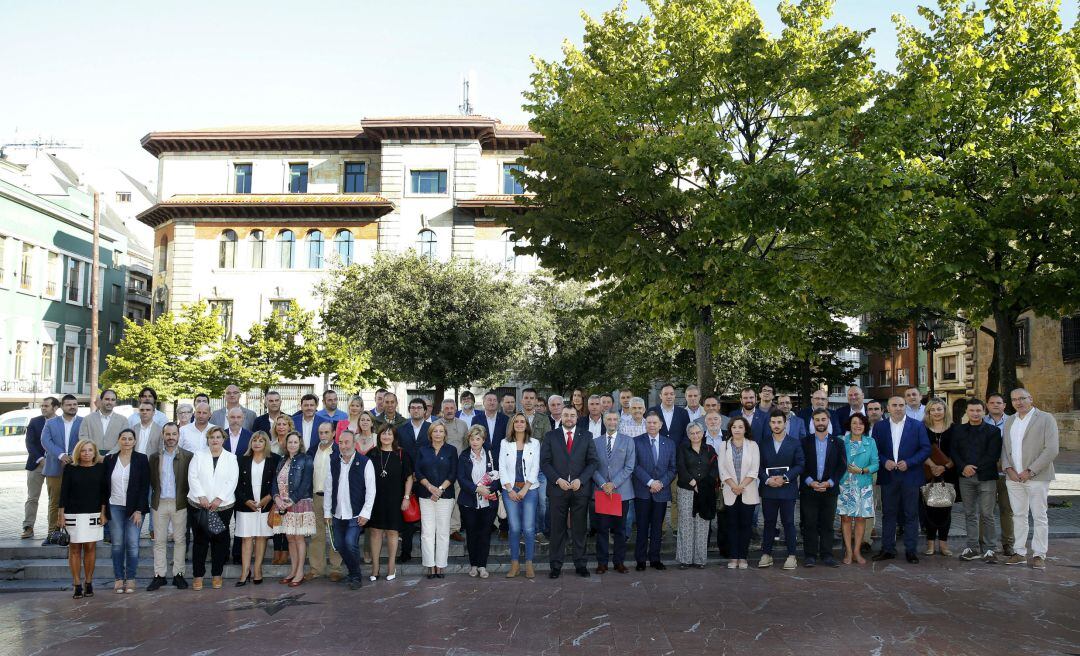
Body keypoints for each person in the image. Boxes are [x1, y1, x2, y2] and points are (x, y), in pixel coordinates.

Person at [1001, 388, 1059, 569]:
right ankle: (1019, 552)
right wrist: (1007, 468)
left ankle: (1039, 554)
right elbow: (1005, 447)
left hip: (1037, 477)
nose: (1018, 402)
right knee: (1018, 515)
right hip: (1013, 478)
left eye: (1022, 398)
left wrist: (1030, 471)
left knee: (1039, 516)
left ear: (1031, 399)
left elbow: (1051, 449)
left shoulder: (1045, 418)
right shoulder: (1010, 420)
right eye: (1014, 400)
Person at [541, 406, 599, 578]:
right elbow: (544, 462)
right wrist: (557, 480)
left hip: (579, 490)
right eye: (566, 415)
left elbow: (593, 462)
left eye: (572, 415)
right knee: (557, 530)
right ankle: (556, 566)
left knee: (579, 529)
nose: (569, 418)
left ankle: (581, 564)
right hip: (557, 490)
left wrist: (580, 480)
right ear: (561, 417)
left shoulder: (586, 436)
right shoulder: (551, 436)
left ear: (577, 417)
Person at [872, 396, 931, 564]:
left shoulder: (918, 426)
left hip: (910, 475)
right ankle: (888, 549)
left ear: (905, 406)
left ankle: (911, 551)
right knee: (888, 514)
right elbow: (874, 449)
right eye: (894, 405)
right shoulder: (879, 427)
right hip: (889, 476)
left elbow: (925, 449)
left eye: (901, 405)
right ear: (887, 408)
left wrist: (910, 462)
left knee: (911, 515)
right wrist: (884, 461)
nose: (898, 408)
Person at [951, 398, 1004, 564]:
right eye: (971, 410)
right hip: (965, 477)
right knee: (969, 514)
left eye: (978, 410)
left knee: (987, 514)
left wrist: (973, 468)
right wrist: (963, 467)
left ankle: (990, 549)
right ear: (966, 412)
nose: (975, 413)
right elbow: (954, 451)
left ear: (984, 411)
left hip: (986, 477)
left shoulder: (993, 431)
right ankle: (972, 548)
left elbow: (993, 455)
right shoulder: (957, 430)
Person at [187, 426, 239, 590]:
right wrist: (201, 496)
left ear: (223, 439)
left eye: (218, 437)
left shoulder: (231, 458)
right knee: (200, 541)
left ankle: (217, 575)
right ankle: (198, 576)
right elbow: (192, 476)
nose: (215, 440)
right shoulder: (198, 455)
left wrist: (219, 499)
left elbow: (232, 480)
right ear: (207, 440)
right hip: (199, 505)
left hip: (221, 507)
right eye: (211, 437)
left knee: (219, 541)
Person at [324, 430, 376, 589]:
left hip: (356, 513)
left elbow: (371, 490)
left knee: (349, 542)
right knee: (339, 544)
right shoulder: (333, 462)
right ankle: (353, 572)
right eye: (340, 442)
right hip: (338, 513)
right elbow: (328, 488)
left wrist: (366, 513)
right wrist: (327, 512)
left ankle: (356, 576)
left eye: (347, 442)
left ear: (355, 444)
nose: (343, 446)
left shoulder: (365, 462)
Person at [60, 439, 108, 599]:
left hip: (93, 514)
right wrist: (60, 515)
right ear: (78, 452)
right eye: (83, 450)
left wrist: (103, 513)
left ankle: (88, 582)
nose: (86, 453)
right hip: (73, 514)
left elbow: (104, 493)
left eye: (90, 450)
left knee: (90, 549)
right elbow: (63, 493)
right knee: (74, 549)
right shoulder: (70, 468)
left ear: (95, 452)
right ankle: (76, 584)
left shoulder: (101, 468)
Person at [104, 428, 150, 594]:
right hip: (114, 506)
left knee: (132, 544)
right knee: (117, 544)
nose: (127, 441)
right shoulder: (110, 459)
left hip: (134, 509)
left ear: (135, 441)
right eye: (124, 438)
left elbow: (145, 487)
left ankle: (130, 578)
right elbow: (104, 486)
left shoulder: (141, 459)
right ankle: (118, 578)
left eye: (130, 439)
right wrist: (103, 510)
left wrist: (139, 510)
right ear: (119, 440)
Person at [147, 422, 192, 590]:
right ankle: (159, 575)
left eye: (174, 434)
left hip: (179, 503)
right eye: (168, 434)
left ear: (179, 436)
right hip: (160, 503)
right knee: (159, 541)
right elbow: (152, 480)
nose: (171, 437)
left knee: (180, 540)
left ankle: (178, 574)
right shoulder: (154, 457)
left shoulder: (188, 456)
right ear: (163, 435)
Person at [800, 410, 847, 568]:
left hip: (830, 490)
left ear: (829, 421)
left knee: (827, 524)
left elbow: (842, 466)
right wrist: (810, 482)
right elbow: (801, 465)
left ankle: (827, 554)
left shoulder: (838, 442)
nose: (820, 422)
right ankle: (810, 555)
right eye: (817, 419)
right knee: (810, 523)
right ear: (813, 421)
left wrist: (830, 482)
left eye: (823, 419)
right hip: (809, 489)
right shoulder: (804, 442)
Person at [758, 410, 804, 570]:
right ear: (769, 424)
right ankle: (766, 554)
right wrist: (767, 479)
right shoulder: (763, 443)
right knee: (769, 523)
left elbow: (800, 464)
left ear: (785, 423)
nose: (776, 425)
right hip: (769, 489)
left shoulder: (795, 442)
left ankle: (792, 556)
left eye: (779, 422)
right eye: (773, 422)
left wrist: (785, 478)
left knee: (789, 523)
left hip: (788, 489)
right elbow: (758, 466)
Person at [367, 423, 413, 581]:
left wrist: (406, 497)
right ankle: (375, 567)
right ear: (379, 436)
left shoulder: (401, 454)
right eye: (383, 434)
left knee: (393, 532)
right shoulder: (371, 453)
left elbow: (408, 478)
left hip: (395, 499)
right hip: (375, 499)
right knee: (375, 532)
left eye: (389, 434)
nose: (386, 437)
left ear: (394, 437)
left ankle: (391, 565)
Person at [234, 431, 279, 586]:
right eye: (254, 440)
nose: (257, 443)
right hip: (246, 505)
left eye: (261, 440)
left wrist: (268, 498)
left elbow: (278, 482)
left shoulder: (275, 459)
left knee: (261, 537)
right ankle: (245, 572)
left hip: (266, 505)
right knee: (246, 538)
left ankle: (257, 569)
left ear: (266, 443)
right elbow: (235, 483)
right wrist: (246, 501)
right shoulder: (241, 460)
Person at [632, 413, 676, 571]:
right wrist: (650, 482)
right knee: (642, 527)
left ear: (660, 425)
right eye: (649, 422)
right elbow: (635, 466)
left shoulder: (669, 443)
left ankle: (655, 559)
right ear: (645, 424)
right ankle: (641, 560)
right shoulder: (636, 441)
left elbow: (672, 468)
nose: (651, 425)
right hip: (642, 491)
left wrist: (661, 483)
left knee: (657, 527)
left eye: (654, 422)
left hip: (661, 492)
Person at [592, 411, 635, 574]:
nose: (612, 422)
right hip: (602, 492)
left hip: (621, 492)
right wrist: (603, 484)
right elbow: (592, 466)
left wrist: (613, 484)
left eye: (615, 419)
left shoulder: (628, 441)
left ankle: (619, 562)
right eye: (609, 419)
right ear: (604, 421)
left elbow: (629, 467)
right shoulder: (595, 442)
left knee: (620, 530)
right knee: (602, 529)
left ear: (619, 421)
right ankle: (602, 563)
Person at [272, 431, 316, 586]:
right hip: (282, 505)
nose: (292, 445)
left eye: (295, 442)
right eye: (289, 442)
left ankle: (300, 572)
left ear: (300, 444)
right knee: (290, 538)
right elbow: (274, 482)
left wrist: (291, 500)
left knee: (299, 538)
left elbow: (306, 484)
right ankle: (293, 570)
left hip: (299, 503)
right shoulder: (282, 460)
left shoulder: (306, 459)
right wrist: (276, 498)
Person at [500, 413, 540, 579]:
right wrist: (510, 490)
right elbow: (502, 467)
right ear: (512, 424)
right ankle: (515, 564)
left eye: (522, 421)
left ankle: (529, 563)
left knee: (529, 528)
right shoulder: (504, 443)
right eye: (516, 421)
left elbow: (535, 468)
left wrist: (524, 490)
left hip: (529, 490)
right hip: (510, 489)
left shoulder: (535, 443)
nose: (519, 424)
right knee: (515, 528)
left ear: (526, 424)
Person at [416, 422, 458, 579]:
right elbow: (418, 471)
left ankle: (440, 565)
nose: (438, 434)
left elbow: (453, 474)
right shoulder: (423, 450)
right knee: (427, 532)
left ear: (445, 434)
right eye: (435, 431)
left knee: (442, 532)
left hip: (445, 496)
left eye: (441, 431)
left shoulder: (451, 450)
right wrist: (430, 487)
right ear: (430, 434)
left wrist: (439, 490)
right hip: (426, 495)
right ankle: (430, 565)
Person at [458, 425, 499, 578]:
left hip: (489, 502)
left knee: (485, 534)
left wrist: (489, 490)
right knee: (472, 534)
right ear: (468, 439)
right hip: (469, 502)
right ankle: (473, 565)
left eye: (478, 438)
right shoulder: (464, 456)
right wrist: (477, 489)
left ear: (483, 440)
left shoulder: (491, 455)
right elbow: (461, 478)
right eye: (472, 438)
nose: (474, 442)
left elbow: (497, 475)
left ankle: (482, 566)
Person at [41, 395, 83, 546]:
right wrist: (61, 455)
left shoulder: (83, 422)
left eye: (75, 404)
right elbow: (45, 441)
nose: (72, 406)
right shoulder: (51, 423)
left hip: (77, 467)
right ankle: (52, 533)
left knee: (77, 501)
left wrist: (72, 456)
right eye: (68, 404)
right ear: (62, 407)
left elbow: (85, 440)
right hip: (55, 468)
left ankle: (74, 533)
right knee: (55, 502)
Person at [675, 424, 718, 569]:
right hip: (686, 490)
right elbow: (680, 467)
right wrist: (693, 482)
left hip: (705, 492)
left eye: (698, 432)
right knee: (686, 524)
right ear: (688, 435)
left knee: (702, 524)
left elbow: (714, 470)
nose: (695, 435)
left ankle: (700, 560)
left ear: (702, 433)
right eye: (692, 433)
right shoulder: (682, 449)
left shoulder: (710, 450)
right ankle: (685, 559)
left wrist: (704, 485)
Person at [719, 417, 759, 569]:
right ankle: (733, 557)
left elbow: (754, 469)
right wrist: (734, 486)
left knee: (745, 525)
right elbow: (722, 468)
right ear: (730, 429)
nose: (737, 429)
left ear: (745, 429)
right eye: (734, 427)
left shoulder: (753, 445)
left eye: (740, 427)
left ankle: (743, 557)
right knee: (732, 525)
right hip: (730, 491)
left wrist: (741, 486)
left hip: (748, 490)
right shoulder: (724, 445)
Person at [838, 413, 877, 565]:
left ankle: (857, 551)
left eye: (861, 423)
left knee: (861, 519)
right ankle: (848, 551)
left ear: (865, 426)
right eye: (855, 423)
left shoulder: (870, 441)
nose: (858, 426)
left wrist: (861, 470)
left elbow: (876, 464)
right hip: (845, 485)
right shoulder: (842, 441)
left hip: (863, 485)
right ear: (850, 425)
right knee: (846, 518)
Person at [920, 398, 957, 557]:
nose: (936, 412)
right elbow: (919, 449)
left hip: (948, 473)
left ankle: (943, 544)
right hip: (928, 472)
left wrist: (944, 466)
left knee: (945, 509)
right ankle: (929, 544)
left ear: (945, 410)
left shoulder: (954, 429)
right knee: (929, 509)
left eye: (939, 409)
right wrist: (933, 466)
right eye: (933, 409)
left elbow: (958, 452)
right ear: (928, 412)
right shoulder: (921, 428)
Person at [308, 421, 344, 582]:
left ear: (333, 433)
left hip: (334, 498)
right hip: (316, 496)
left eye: (326, 432)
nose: (323, 435)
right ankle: (317, 569)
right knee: (317, 534)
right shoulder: (312, 450)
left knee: (335, 534)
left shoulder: (339, 451)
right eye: (320, 432)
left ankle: (336, 569)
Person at [435, 398, 469, 542]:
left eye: (451, 408)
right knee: (439, 498)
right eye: (446, 408)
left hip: (458, 468)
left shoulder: (462, 424)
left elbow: (467, 445)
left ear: (456, 409)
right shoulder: (436, 425)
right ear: (442, 410)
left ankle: (453, 529)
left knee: (455, 498)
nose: (449, 411)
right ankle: (438, 528)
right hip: (440, 469)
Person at [23, 396, 58, 539]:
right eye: (42, 406)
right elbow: (29, 443)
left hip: (55, 465)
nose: (43, 408)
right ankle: (28, 527)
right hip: (36, 465)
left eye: (46, 406)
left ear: (55, 408)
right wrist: (40, 459)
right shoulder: (35, 422)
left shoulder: (60, 423)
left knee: (54, 499)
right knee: (32, 498)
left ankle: (54, 529)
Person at [985, 393, 1015, 556]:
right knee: (985, 510)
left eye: (999, 403)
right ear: (987, 405)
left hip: (1007, 472)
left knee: (1007, 509)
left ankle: (1008, 543)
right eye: (992, 403)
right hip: (987, 473)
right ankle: (985, 543)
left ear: (1004, 405)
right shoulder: (980, 421)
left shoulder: (1014, 421)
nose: (995, 405)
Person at [268, 414, 293, 565]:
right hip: (275, 487)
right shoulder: (271, 446)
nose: (281, 427)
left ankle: (286, 552)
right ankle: (277, 551)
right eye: (279, 424)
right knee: (277, 522)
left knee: (288, 523)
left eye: (285, 424)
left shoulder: (294, 442)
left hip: (290, 489)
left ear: (290, 426)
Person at [79, 389, 124, 457]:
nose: (110, 402)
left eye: (113, 400)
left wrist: (109, 455)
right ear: (101, 400)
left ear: (115, 402)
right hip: (92, 458)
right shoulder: (88, 419)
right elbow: (83, 438)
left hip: (114, 458)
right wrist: (95, 454)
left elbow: (123, 440)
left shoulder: (123, 420)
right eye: (107, 399)